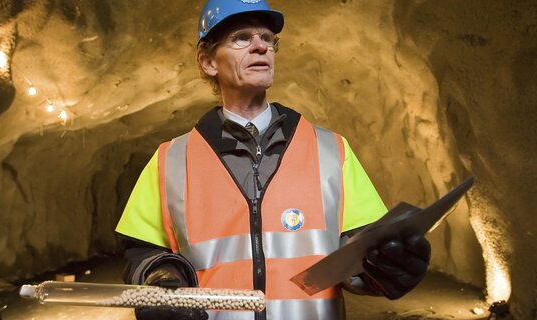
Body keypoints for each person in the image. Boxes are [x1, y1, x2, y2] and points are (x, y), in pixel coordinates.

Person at [115, 0, 431, 319]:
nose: (260, 47)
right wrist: (162, 279)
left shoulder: (332, 150)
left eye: (267, 38)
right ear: (207, 61)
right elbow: (142, 250)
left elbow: (359, 254)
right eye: (241, 37)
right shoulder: (170, 159)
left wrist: (385, 269)